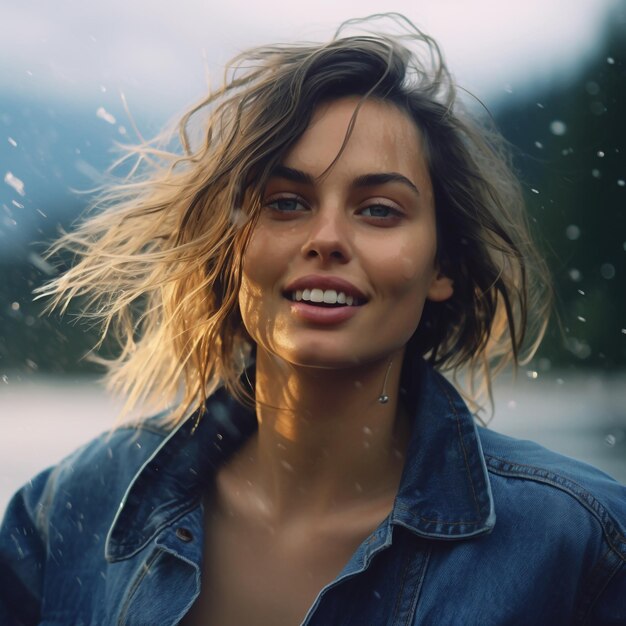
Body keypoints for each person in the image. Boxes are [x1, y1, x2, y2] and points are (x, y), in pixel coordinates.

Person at [1, 14, 624, 626]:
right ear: (231, 248)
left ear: (444, 266)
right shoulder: (66, 514)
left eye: (379, 210)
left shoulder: (582, 547)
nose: (326, 239)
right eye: (286, 203)